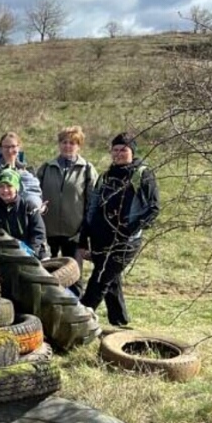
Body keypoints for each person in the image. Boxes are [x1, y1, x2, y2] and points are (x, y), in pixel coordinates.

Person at [77, 132, 159, 328]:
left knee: (101, 276)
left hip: (126, 241)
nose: (119, 153)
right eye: (115, 150)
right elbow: (93, 207)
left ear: (132, 152)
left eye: (124, 150)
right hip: (100, 238)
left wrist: (130, 229)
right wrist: (84, 237)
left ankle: (79, 317)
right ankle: (120, 323)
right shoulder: (105, 176)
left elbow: (153, 208)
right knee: (110, 279)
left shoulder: (142, 174)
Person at [37, 125, 99, 295]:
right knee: (46, 273)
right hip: (48, 232)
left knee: (74, 276)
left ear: (79, 146)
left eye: (72, 143)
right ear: (59, 144)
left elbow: (93, 203)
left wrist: (84, 231)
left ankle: (76, 310)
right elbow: (35, 196)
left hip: (74, 233)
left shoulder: (87, 170)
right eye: (64, 142)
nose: (67, 146)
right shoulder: (46, 168)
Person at [0, 169, 49, 259]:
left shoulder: (28, 207)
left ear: (16, 188)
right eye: (1, 186)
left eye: (9, 186)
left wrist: (31, 252)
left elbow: (39, 234)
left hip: (34, 253)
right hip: (8, 255)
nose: (5, 190)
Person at [0, 131, 44, 211]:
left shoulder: (28, 171)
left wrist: (41, 207)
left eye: (13, 146)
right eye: (6, 147)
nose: (10, 150)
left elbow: (37, 194)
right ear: (0, 149)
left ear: (18, 148)